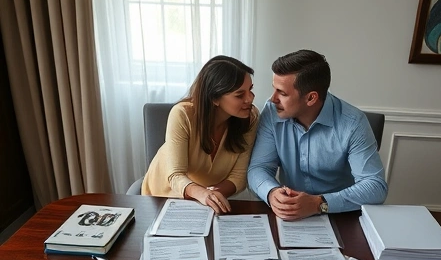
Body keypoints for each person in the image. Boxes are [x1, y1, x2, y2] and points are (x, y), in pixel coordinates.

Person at [247, 49, 387, 220]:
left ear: (311, 98)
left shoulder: (353, 123)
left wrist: (318, 203)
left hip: (339, 217)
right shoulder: (272, 112)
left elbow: (375, 186)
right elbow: (258, 168)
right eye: (274, 89)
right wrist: (271, 192)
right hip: (290, 217)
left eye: (282, 93)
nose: (272, 99)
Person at [142, 55, 258, 214]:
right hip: (163, 196)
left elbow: (239, 176)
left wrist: (212, 195)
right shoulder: (182, 114)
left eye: (250, 90)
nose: (250, 99)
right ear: (214, 98)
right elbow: (175, 175)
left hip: (204, 201)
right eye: (239, 95)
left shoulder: (250, 117)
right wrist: (203, 194)